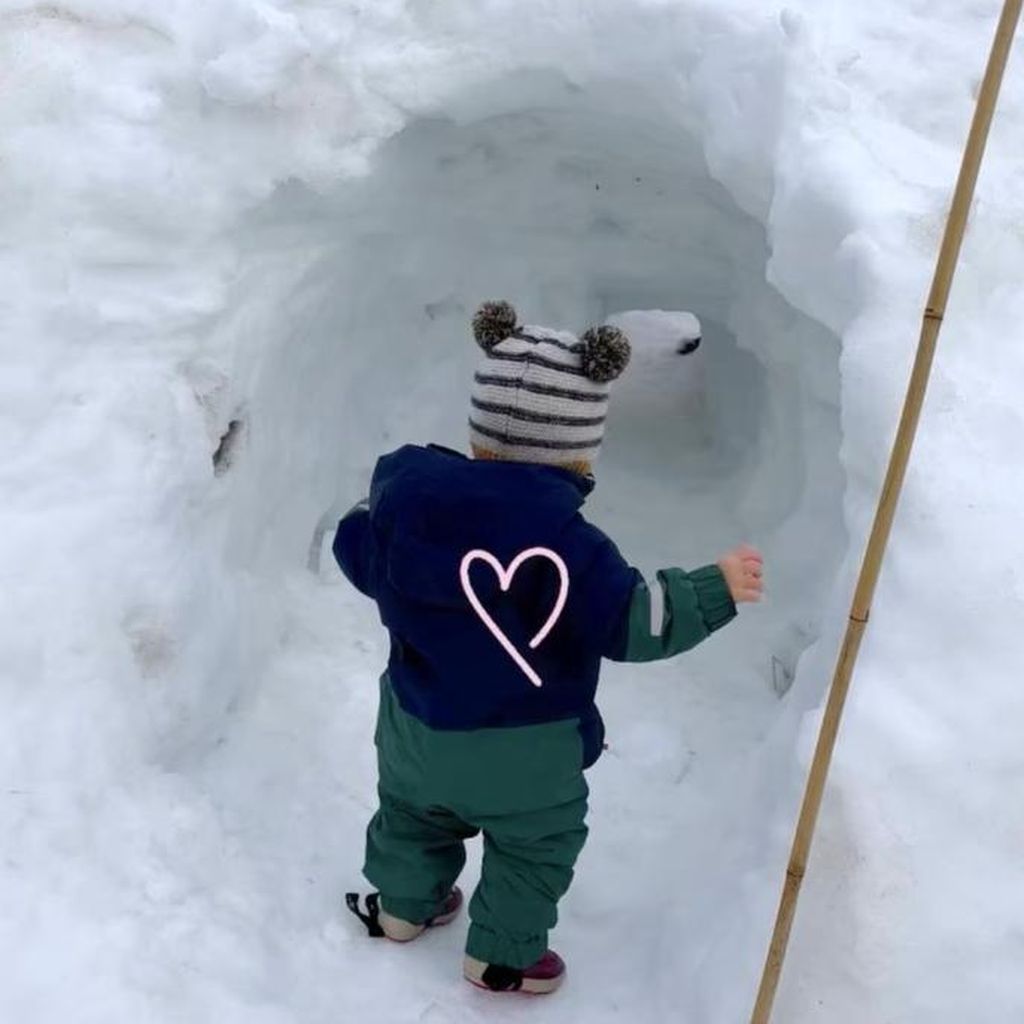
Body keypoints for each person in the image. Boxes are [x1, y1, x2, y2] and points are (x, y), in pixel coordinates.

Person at [335, 301, 764, 995]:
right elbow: (634, 623)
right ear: (576, 452)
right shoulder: (569, 547)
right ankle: (499, 957)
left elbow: (353, 550)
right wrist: (714, 588)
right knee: (533, 850)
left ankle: (400, 911)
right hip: (526, 758)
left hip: (414, 732)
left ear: (478, 438)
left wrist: (373, 518)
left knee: (410, 820)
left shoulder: (409, 512)